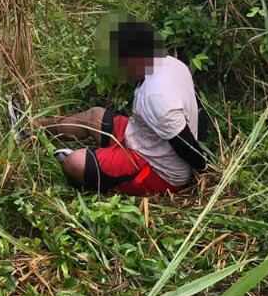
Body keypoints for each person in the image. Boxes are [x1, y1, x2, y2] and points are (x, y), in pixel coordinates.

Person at [17, 19, 208, 195]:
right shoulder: (173, 65)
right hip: (143, 137)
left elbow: (184, 144)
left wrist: (203, 170)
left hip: (156, 170)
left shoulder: (156, 96)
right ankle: (29, 128)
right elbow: (198, 110)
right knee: (94, 116)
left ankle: (89, 172)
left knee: (74, 163)